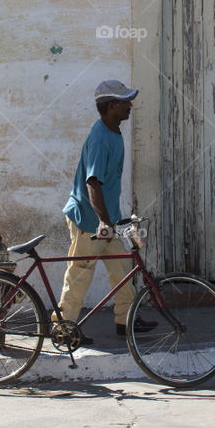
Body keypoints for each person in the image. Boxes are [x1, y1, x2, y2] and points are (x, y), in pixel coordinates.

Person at [54, 79, 156, 343]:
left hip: (108, 220)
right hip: (90, 222)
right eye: (125, 102)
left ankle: (126, 320)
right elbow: (93, 182)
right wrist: (102, 222)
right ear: (112, 106)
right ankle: (64, 329)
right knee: (80, 274)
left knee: (122, 269)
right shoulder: (100, 139)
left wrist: (112, 220)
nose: (130, 106)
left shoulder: (112, 132)